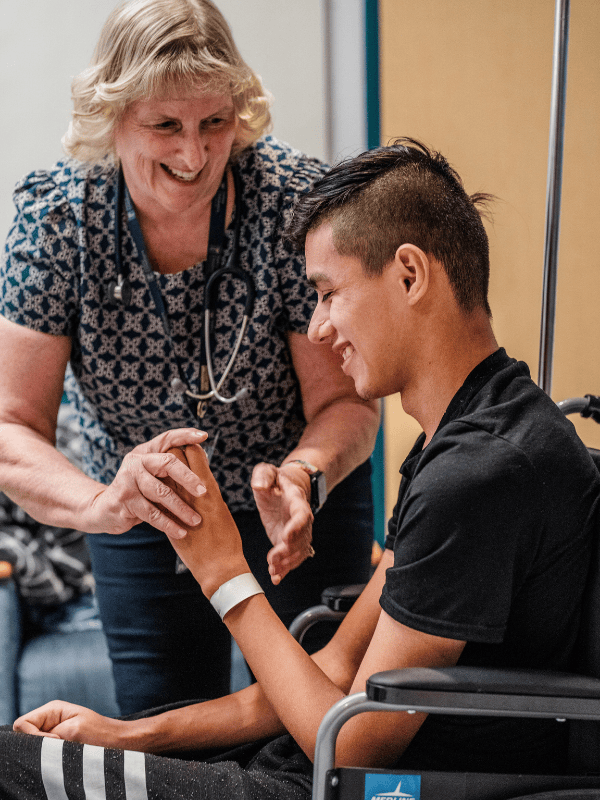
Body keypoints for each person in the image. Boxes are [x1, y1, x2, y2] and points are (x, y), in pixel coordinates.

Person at [1, 137, 597, 799]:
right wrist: (120, 734)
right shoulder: (462, 442)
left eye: (327, 292)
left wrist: (224, 573)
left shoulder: (482, 473)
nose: (317, 328)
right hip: (298, 768)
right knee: (36, 755)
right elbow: (333, 670)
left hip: (345, 787)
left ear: (409, 276)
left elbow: (354, 746)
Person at [0, 0, 380, 715]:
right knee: (161, 721)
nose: (194, 155)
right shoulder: (58, 220)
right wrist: (104, 503)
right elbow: (11, 427)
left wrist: (303, 476)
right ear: (110, 118)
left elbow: (347, 402)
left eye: (215, 122)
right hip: (146, 512)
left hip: (297, 506)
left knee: (316, 718)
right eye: (164, 126)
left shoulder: (295, 204)